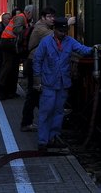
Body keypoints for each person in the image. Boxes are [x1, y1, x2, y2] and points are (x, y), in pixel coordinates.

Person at [33, 16, 92, 151]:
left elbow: (82, 49)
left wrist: (94, 50)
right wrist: (37, 80)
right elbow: (37, 60)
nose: (63, 34)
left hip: (62, 83)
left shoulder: (69, 41)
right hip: (49, 83)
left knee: (58, 112)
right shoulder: (46, 42)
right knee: (46, 112)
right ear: (54, 30)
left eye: (64, 31)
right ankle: (43, 141)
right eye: (60, 31)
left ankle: (53, 138)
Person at [20, 7, 56, 132]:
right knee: (33, 93)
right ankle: (26, 123)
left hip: (35, 62)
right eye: (50, 17)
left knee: (37, 93)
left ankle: (51, 115)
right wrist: (67, 22)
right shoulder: (40, 28)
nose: (53, 19)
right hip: (33, 62)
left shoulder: (42, 26)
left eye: (53, 16)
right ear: (43, 17)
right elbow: (55, 36)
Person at [0, 5, 34, 100]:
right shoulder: (21, 18)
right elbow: (16, 30)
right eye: (32, 14)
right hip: (8, 43)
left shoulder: (22, 18)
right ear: (28, 13)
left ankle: (10, 91)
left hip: (10, 43)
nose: (32, 16)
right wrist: (29, 29)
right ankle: (1, 91)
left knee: (13, 67)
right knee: (8, 67)